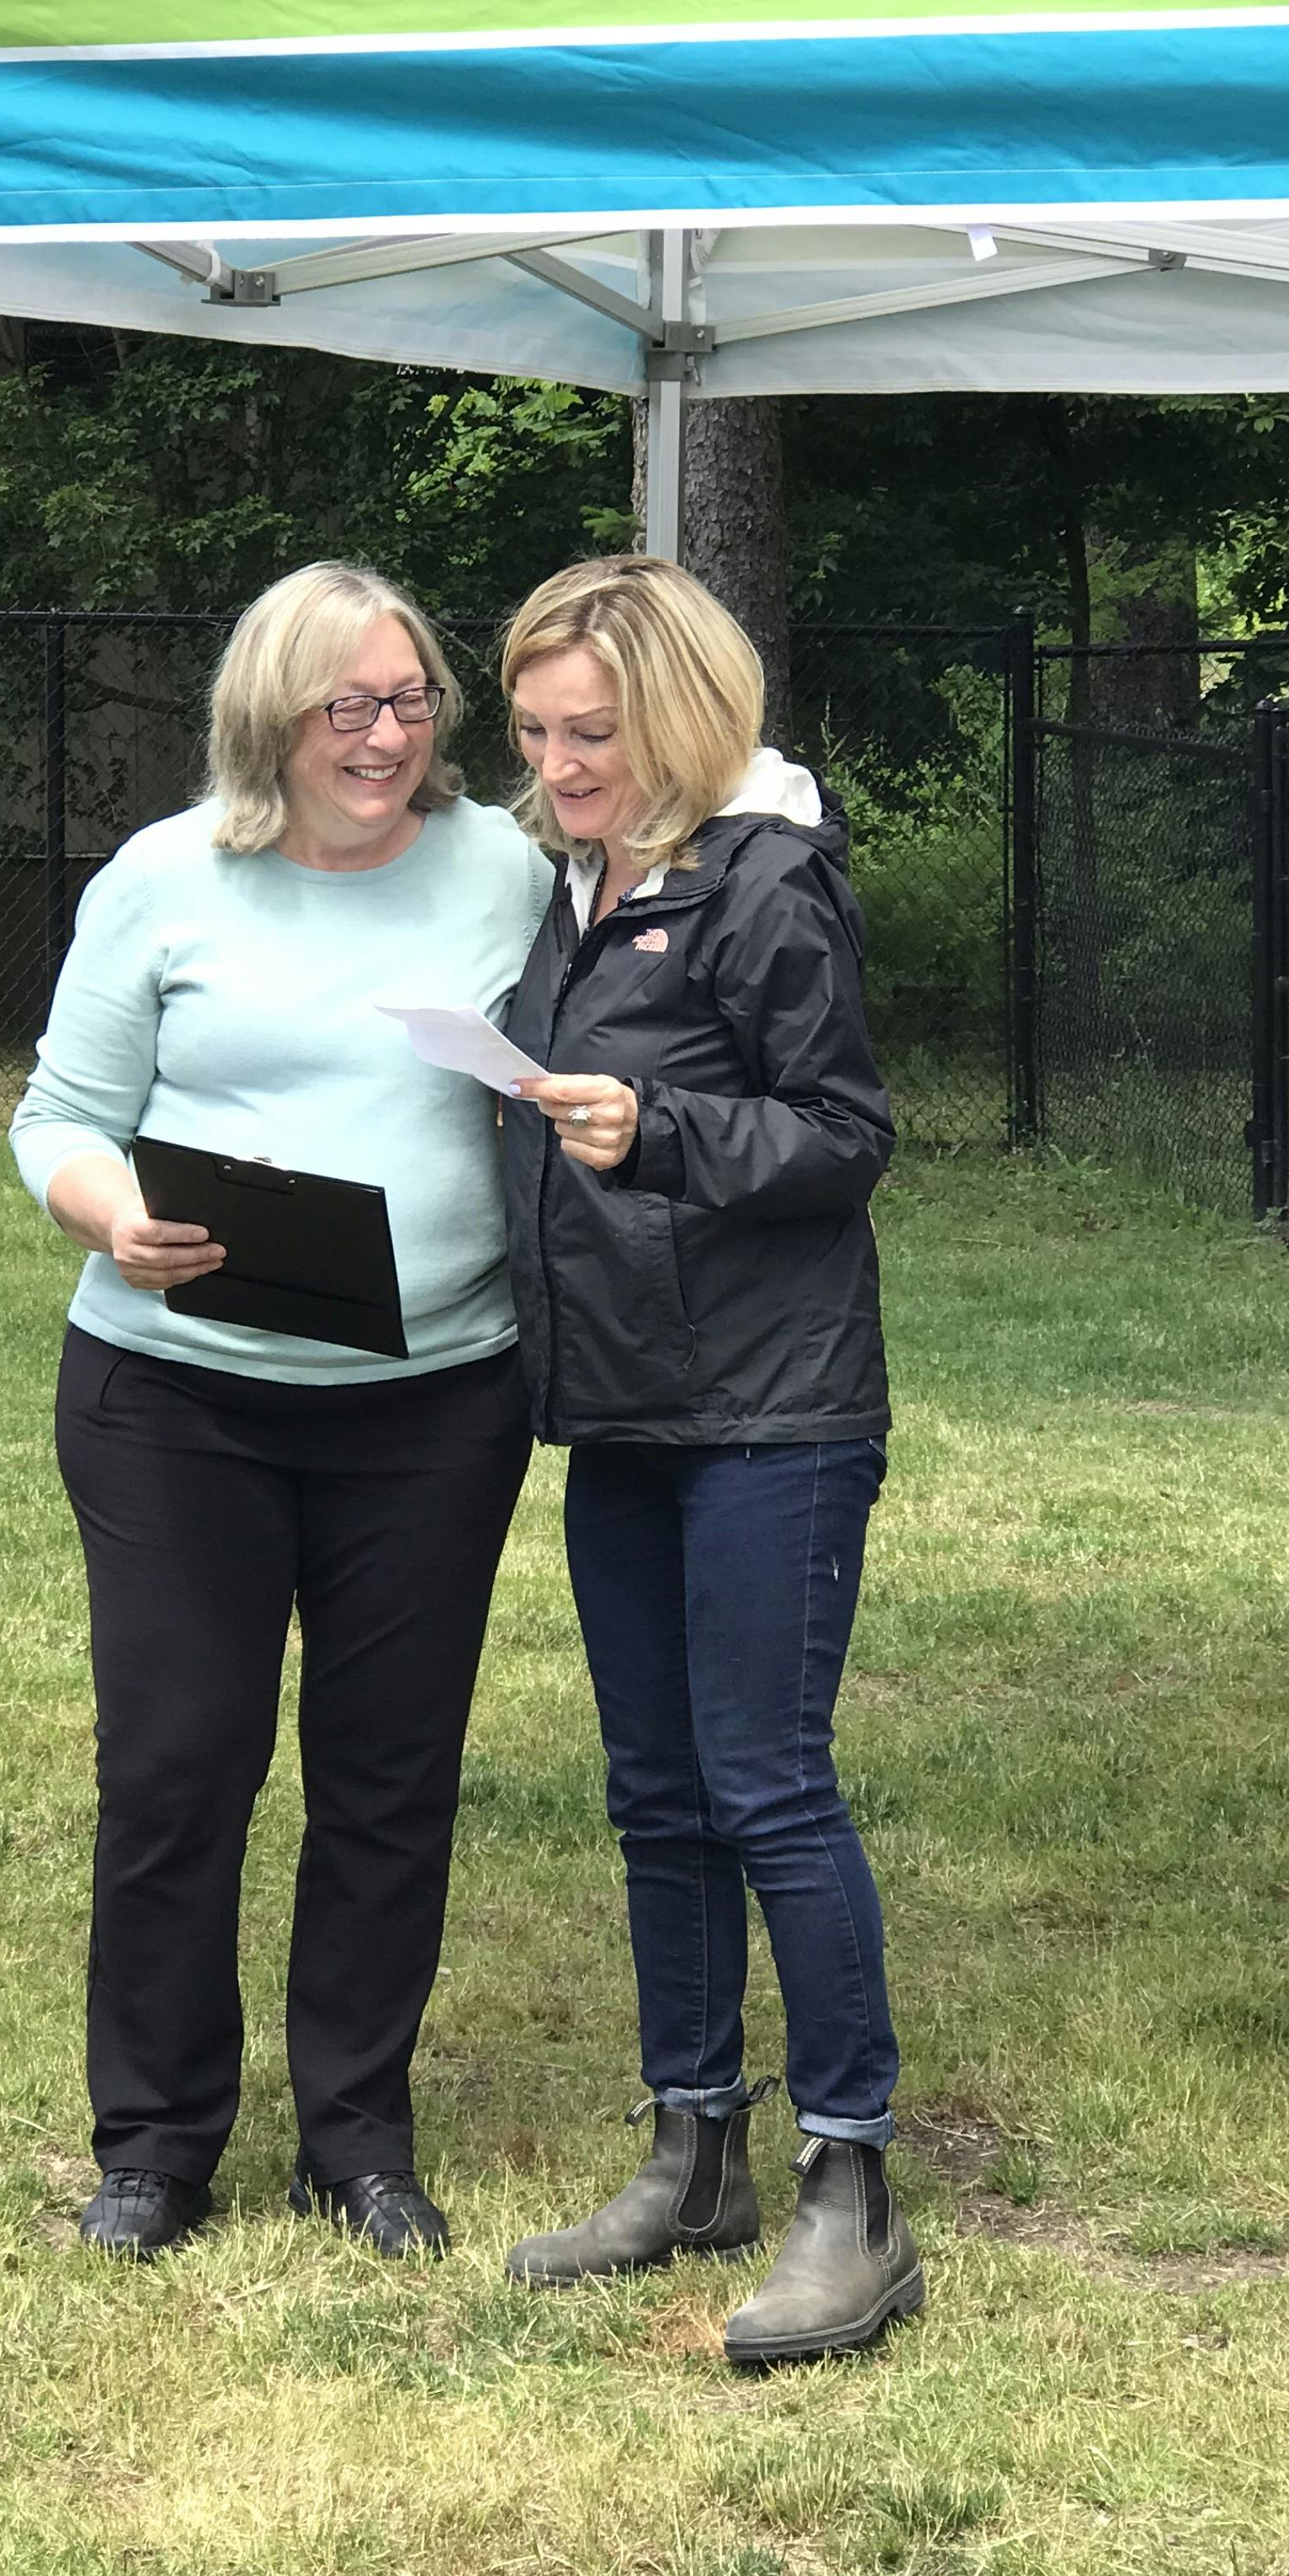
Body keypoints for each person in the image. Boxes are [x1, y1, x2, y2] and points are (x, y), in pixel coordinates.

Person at [11, 562, 555, 2264]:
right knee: (182, 1770)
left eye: (410, 704)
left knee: (390, 1780)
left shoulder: (507, 872)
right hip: (180, 1404)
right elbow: (58, 1121)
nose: (387, 737)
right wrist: (115, 1217)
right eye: (349, 709)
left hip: (434, 1406)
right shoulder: (167, 880)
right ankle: (157, 2147)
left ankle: (360, 2142)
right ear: (272, 720)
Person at [494, 555, 918, 2367]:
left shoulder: (765, 883)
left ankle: (854, 2190)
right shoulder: (579, 882)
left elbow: (843, 1135)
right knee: (653, 1792)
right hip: (628, 1406)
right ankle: (694, 2149)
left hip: (778, 1410)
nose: (559, 764)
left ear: (678, 717)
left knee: (765, 1784)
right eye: (531, 731)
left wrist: (653, 1129)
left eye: (592, 732)